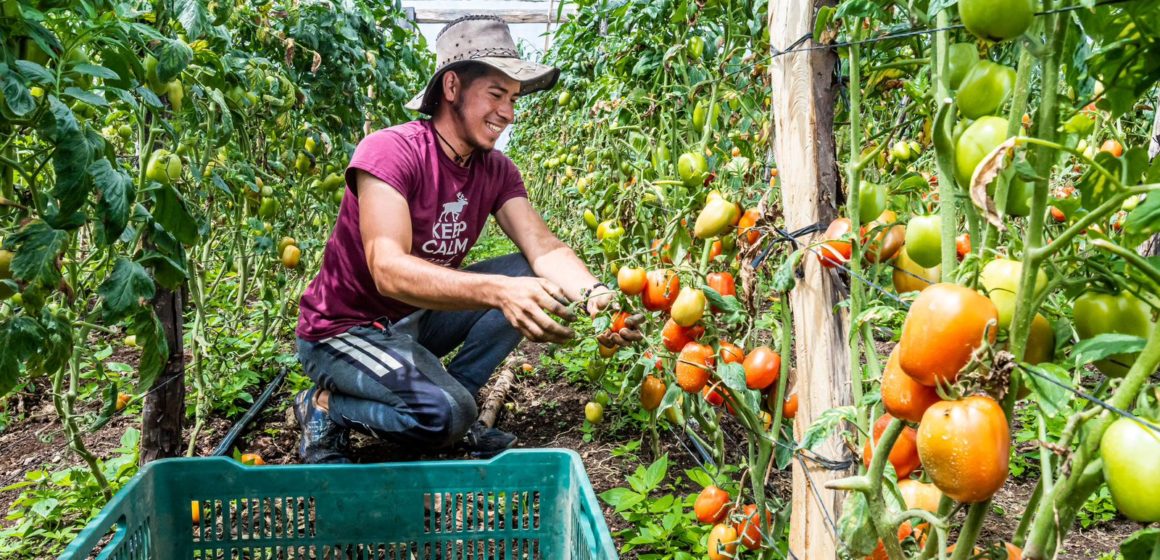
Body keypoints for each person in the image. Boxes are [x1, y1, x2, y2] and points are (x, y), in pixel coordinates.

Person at [292, 15, 643, 464]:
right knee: (442, 415)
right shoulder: (390, 152)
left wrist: (598, 297)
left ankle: (459, 402)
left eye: (514, 99)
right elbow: (388, 269)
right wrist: (498, 291)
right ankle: (324, 406)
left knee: (528, 273)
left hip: (414, 321)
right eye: (497, 94)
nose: (509, 113)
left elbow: (545, 249)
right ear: (452, 87)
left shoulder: (495, 170)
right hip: (344, 331)